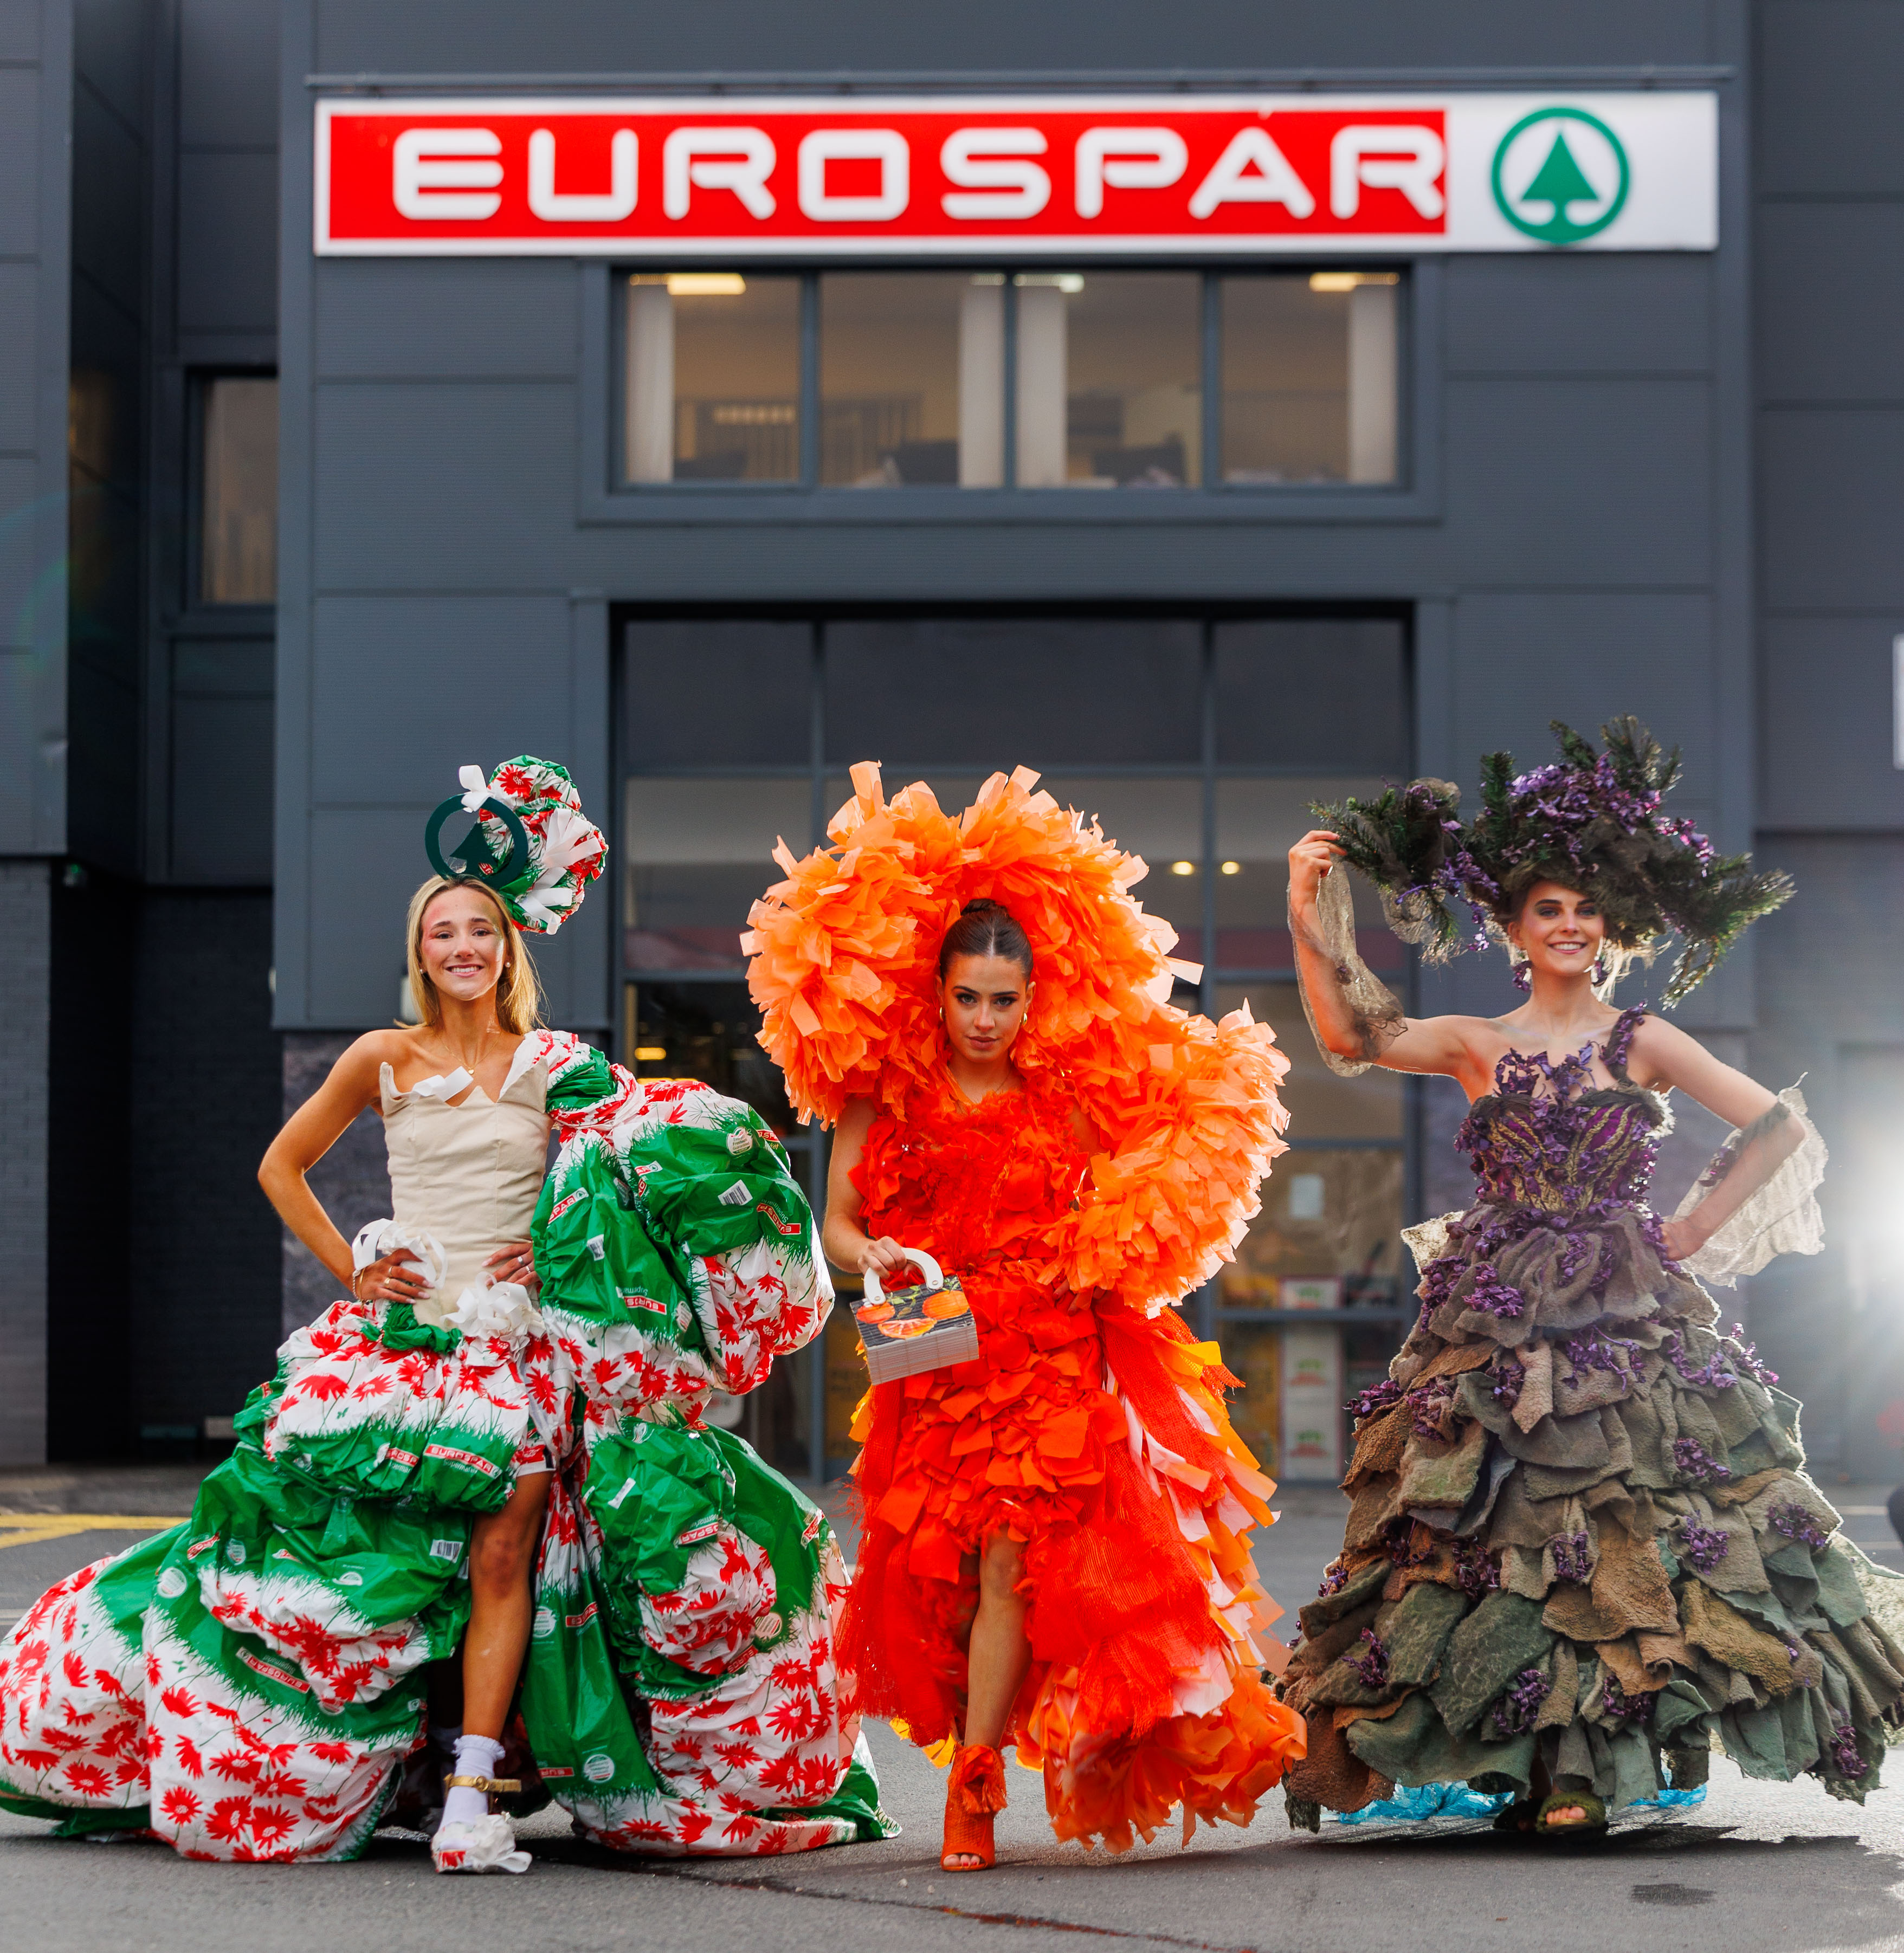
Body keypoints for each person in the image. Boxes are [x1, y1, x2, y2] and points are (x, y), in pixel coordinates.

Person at [0, 757, 888, 1869]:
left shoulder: (555, 1064)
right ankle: (395, 1769)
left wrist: (566, 1246)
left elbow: (633, 1155)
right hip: (403, 1346)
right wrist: (354, 1264)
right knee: (378, 1561)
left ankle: (472, 1788)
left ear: (509, 947)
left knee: (508, 1549)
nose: (462, 947)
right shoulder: (383, 1055)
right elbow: (280, 1167)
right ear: (420, 952)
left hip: (517, 1350)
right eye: (442, 933)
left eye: (480, 930)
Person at [1277, 717, 1902, 1836]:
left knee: (1625, 1520)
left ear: (1609, 928)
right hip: (1497, 1304)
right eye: (1546, 909)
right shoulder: (1476, 1039)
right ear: (1514, 930)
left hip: (1624, 1301)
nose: (1568, 924)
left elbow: (1773, 1121)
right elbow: (1350, 1035)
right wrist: (1304, 911)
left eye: (1584, 909)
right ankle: (1527, 1764)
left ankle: (1585, 1765)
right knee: (1500, 1526)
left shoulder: (1641, 1038)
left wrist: (1690, 1224)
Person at [746, 763, 1307, 1871]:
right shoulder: (882, 1093)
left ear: (1031, 998)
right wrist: (875, 1254)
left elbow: (1154, 1160)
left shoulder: (1064, 1094)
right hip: (931, 1360)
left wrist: (1119, 1241)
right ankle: (977, 1736)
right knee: (943, 1588)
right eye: (968, 997)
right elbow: (837, 1225)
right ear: (938, 990)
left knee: (1010, 1564)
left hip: (1046, 1355)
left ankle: (973, 1784)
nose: (985, 1019)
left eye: (1004, 1000)